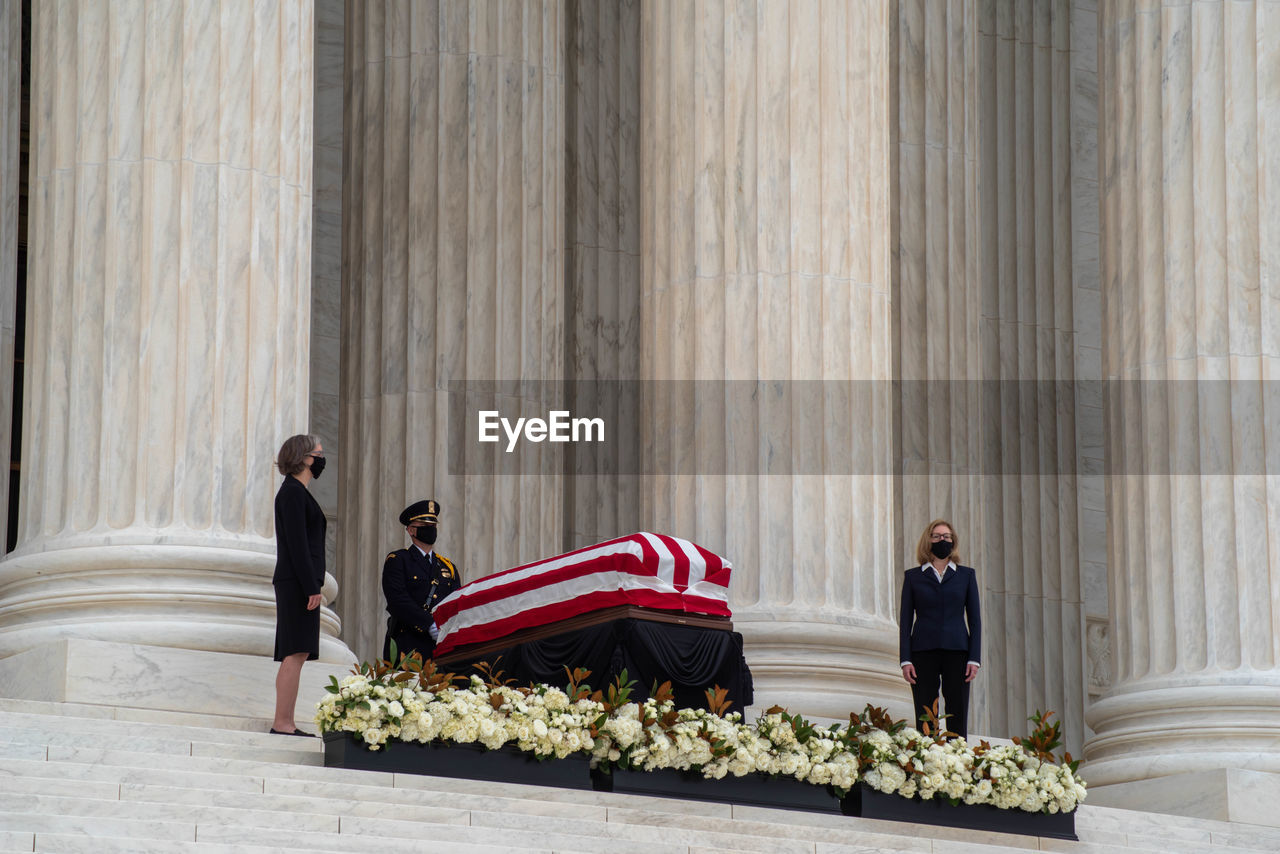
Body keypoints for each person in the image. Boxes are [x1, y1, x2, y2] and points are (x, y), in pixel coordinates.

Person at [899, 518, 981, 739]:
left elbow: (974, 620)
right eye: (936, 536)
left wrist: (974, 658)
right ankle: (928, 754)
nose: (941, 540)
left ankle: (956, 757)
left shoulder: (966, 576)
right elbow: (906, 620)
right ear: (928, 541)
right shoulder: (913, 577)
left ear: (953, 541)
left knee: (957, 707)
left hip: (958, 651)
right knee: (925, 708)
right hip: (923, 651)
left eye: (946, 536)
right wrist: (905, 659)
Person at [270, 433, 327, 736]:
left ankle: (286, 721)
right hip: (296, 582)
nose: (321, 459)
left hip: (299, 581)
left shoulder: (299, 492)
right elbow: (297, 545)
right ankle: (283, 723)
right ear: (304, 458)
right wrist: (311, 586)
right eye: (318, 453)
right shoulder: (292, 493)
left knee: (299, 652)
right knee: (295, 651)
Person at [382, 499, 461, 663]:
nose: (431, 529)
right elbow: (398, 600)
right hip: (408, 644)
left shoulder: (448, 567)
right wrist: (429, 624)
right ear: (411, 530)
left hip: (440, 646)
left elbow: (456, 603)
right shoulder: (398, 560)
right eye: (425, 525)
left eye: (433, 525)